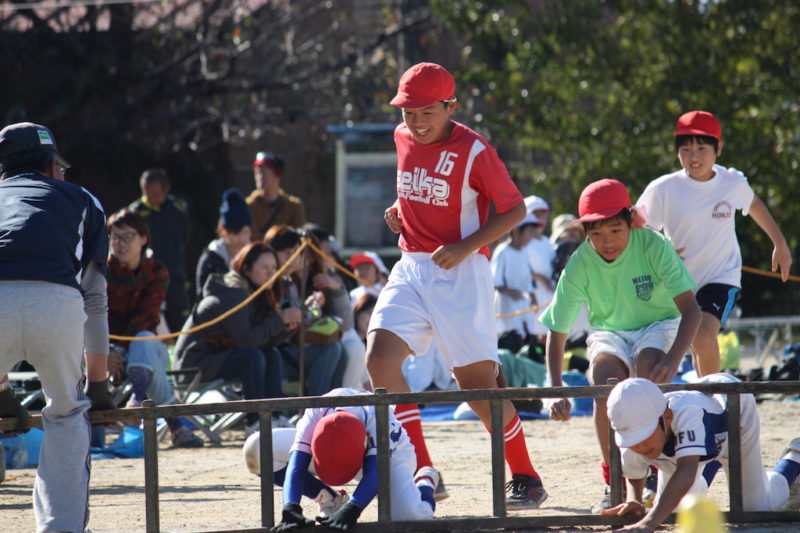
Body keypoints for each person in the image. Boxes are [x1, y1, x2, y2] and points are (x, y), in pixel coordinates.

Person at [366, 62, 548, 509]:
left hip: (462, 273)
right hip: (412, 264)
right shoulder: (401, 136)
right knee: (380, 361)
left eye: (427, 111)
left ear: (451, 106)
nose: (416, 121)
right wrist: (399, 209)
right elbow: (420, 188)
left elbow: (514, 210)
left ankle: (527, 477)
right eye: (408, 111)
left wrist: (467, 246)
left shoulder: (474, 149)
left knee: (478, 388)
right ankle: (422, 469)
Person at [539, 178, 702, 513]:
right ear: (584, 233)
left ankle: (656, 469)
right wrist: (555, 389)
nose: (607, 241)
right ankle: (612, 477)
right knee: (604, 384)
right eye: (597, 233)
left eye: (615, 230)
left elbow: (692, 310)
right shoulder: (580, 262)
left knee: (648, 372)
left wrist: (673, 360)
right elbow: (556, 331)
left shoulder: (653, 244)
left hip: (659, 323)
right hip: (610, 331)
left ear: (631, 221)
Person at [0, 122, 108, 532]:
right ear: (50, 166)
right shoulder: (83, 199)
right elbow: (95, 298)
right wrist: (98, 384)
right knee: (66, 413)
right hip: (57, 302)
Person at [636, 110, 792, 377]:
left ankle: (714, 395)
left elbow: (754, 204)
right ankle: (704, 390)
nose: (694, 156)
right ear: (677, 152)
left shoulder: (731, 182)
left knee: (702, 334)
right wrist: (661, 252)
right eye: (686, 149)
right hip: (678, 281)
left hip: (721, 276)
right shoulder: (662, 188)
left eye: (701, 148)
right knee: (695, 342)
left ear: (718, 148)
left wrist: (780, 243)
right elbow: (638, 231)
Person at [602, 375, 800, 532]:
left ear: (667, 416)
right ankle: (706, 453)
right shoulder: (633, 434)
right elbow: (634, 472)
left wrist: (648, 522)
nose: (640, 447)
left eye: (644, 438)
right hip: (701, 437)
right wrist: (634, 500)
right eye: (633, 442)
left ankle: (795, 457)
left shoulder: (689, 414)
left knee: (756, 509)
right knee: (677, 511)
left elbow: (687, 471)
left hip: (735, 411)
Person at [262, 387, 437, 532]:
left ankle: (426, 479)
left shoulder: (376, 419)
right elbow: (296, 466)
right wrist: (290, 507)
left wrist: (353, 508)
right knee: (259, 449)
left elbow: (375, 471)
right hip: (341, 446)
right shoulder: (315, 412)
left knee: (409, 516)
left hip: (392, 453)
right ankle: (330, 498)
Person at [175, 242, 299, 435]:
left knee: (271, 354)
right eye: (265, 267)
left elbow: (262, 342)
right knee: (252, 357)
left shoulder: (255, 291)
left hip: (217, 357)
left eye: (274, 268)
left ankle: (275, 417)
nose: (271, 273)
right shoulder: (235, 293)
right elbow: (245, 341)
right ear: (246, 269)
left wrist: (287, 327)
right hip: (193, 365)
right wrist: (279, 320)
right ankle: (255, 422)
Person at [106, 208, 204, 448]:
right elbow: (89, 317)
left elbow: (146, 316)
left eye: (128, 236)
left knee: (147, 338)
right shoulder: (99, 271)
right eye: (115, 237)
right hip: (103, 354)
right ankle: (174, 424)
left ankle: (138, 398)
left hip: (133, 349)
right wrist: (105, 351)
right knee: (150, 350)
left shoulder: (156, 272)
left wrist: (118, 349)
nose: (120, 243)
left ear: (143, 239)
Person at [263, 225, 345, 397]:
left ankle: (333, 404)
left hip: (285, 350)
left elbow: (296, 322)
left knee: (340, 348)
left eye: (296, 252)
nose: (293, 257)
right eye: (287, 252)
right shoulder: (269, 282)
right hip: (273, 354)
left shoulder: (288, 283)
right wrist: (303, 313)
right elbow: (280, 329)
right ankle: (317, 407)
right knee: (331, 350)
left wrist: (311, 309)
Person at [129, 168, 190, 333]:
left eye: (156, 194)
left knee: (179, 318)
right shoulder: (135, 212)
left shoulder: (178, 209)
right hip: (148, 276)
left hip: (174, 273)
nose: (151, 199)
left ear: (166, 189)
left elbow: (185, 237)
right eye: (147, 194)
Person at [196, 188, 253, 299]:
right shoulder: (211, 259)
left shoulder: (256, 256)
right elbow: (202, 296)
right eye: (236, 232)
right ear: (223, 231)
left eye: (246, 232)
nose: (242, 239)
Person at [492, 212, 541, 340]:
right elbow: (495, 280)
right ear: (516, 231)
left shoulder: (524, 252)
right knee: (509, 337)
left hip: (523, 303)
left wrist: (533, 296)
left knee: (527, 336)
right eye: (529, 233)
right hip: (506, 304)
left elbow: (527, 277)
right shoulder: (502, 251)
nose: (531, 237)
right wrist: (510, 292)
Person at [246, 151, 306, 241]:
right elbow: (253, 237)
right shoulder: (250, 206)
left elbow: (300, 237)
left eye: (264, 172)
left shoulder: (294, 206)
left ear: (277, 175)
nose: (259, 176)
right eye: (257, 172)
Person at [523, 195, 555, 343]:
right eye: (537, 214)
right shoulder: (522, 243)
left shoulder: (548, 242)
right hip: (530, 299)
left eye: (544, 214)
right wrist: (540, 278)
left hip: (549, 297)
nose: (541, 218)